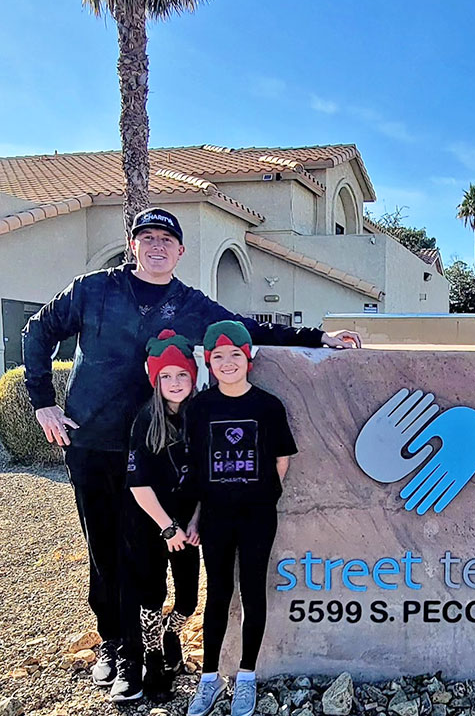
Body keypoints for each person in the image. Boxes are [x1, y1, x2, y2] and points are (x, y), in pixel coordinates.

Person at [21, 207, 360, 701]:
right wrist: (43, 402)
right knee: (103, 548)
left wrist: (317, 338)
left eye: (167, 239)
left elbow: (246, 330)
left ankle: (156, 642)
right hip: (92, 442)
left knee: (150, 553)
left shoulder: (189, 303)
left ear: (181, 251)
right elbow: (37, 331)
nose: (157, 246)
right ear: (132, 244)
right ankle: (115, 646)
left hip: (159, 449)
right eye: (147, 237)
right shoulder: (92, 289)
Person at [184, 321, 295, 716]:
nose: (227, 363)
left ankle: (246, 677)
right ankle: (209, 679)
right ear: (209, 363)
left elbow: (281, 460)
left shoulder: (267, 406)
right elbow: (196, 470)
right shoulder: (199, 408)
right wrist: (195, 518)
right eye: (218, 356)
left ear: (248, 358)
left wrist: (264, 495)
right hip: (214, 517)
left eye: (235, 355)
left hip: (257, 516)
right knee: (217, 595)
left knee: (252, 591)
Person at [125, 330, 202, 701]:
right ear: (155, 380)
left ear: (193, 376)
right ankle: (153, 661)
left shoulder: (200, 416)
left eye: (182, 375)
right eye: (166, 376)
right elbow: (138, 485)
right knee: (152, 596)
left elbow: (208, 478)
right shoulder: (145, 420)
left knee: (188, 599)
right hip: (151, 524)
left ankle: (173, 632)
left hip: (188, 527)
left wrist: (196, 521)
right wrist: (167, 527)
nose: (174, 383)